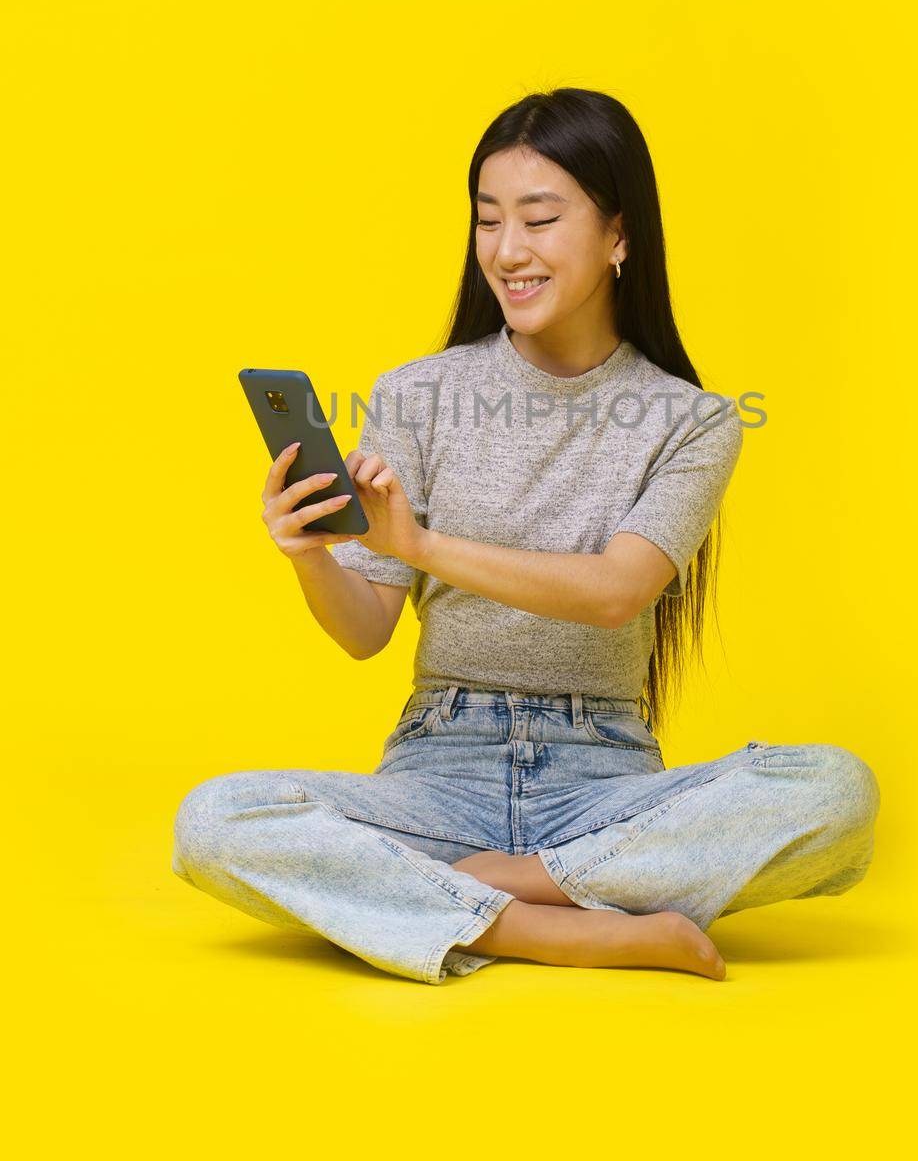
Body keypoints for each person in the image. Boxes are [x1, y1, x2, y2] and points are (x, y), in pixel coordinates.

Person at [172, 88, 880, 985]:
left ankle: (495, 891)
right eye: (489, 222)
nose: (508, 252)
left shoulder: (691, 421)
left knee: (838, 791)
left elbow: (617, 591)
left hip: (606, 780)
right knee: (213, 821)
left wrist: (421, 546)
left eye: (540, 220)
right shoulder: (417, 395)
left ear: (619, 235)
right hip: (440, 767)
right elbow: (363, 633)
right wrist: (309, 551)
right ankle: (554, 926)